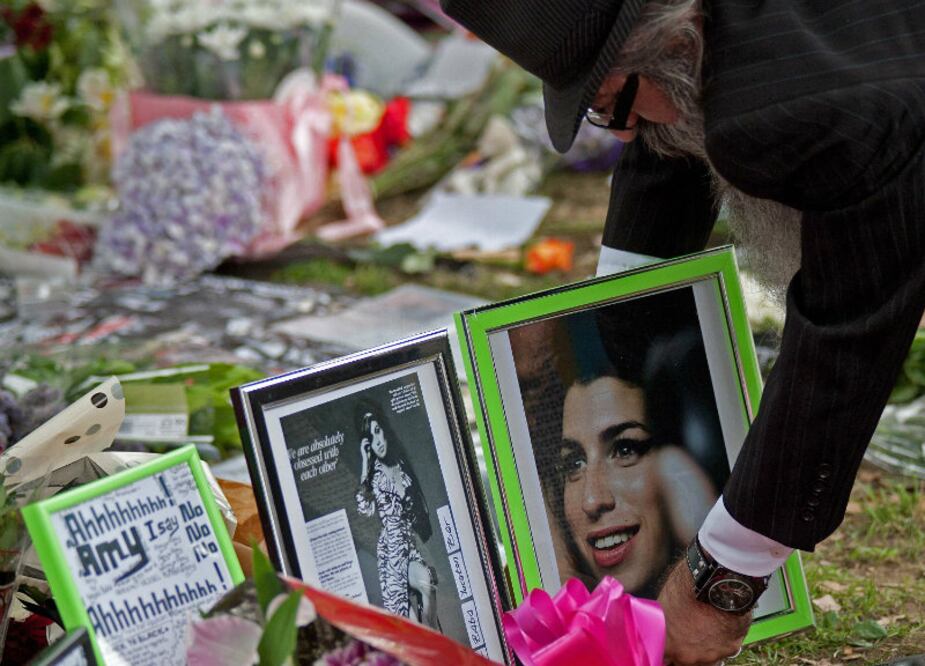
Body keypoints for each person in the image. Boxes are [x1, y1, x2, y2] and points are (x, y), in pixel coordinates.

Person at [441, 0, 925, 663]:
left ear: (669, 47)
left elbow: (849, 335)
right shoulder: (697, 41)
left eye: (608, 103)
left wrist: (721, 577)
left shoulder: (788, 106)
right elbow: (664, 134)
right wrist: (616, 317)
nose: (615, 133)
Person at [355, 403, 439, 628]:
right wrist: (364, 462)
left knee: (426, 584)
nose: (378, 441)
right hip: (392, 549)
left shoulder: (400, 464)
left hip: (409, 543)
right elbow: (364, 508)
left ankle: (432, 636)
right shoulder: (375, 476)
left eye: (378, 431)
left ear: (384, 429)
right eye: (371, 438)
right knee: (407, 622)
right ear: (368, 446)